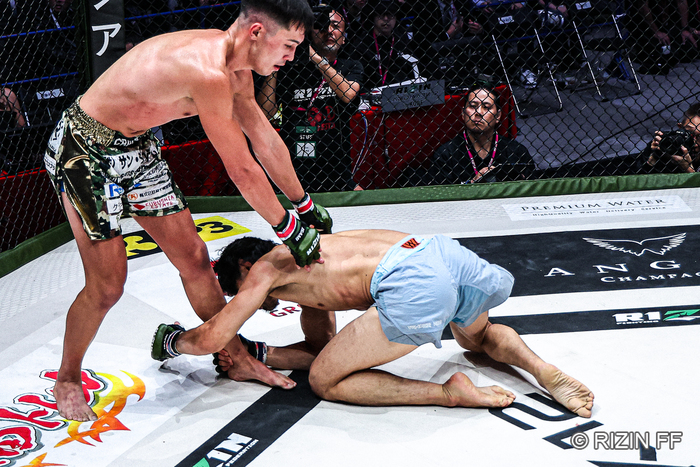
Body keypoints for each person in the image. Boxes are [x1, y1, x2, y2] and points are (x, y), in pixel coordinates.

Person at [43, 0, 334, 422]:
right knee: (108, 285)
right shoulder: (208, 72)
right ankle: (67, 378)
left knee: (195, 259)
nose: (291, 57)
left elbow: (264, 139)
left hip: (137, 147)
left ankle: (237, 358)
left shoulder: (237, 70)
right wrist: (288, 228)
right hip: (84, 151)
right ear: (256, 32)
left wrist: (302, 203)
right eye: (288, 45)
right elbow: (241, 168)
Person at [152, 230, 594, 416]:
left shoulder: (265, 270)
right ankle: (542, 371)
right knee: (478, 339)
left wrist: (174, 343)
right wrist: (260, 354)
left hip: (413, 281)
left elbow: (213, 336)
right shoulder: (308, 253)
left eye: (238, 290)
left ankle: (448, 393)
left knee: (324, 382)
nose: (251, 302)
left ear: (246, 268)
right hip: (442, 253)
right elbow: (323, 346)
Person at [257, 5, 363, 192]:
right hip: (294, 165)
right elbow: (266, 113)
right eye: (321, 25)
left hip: (336, 168)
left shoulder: (350, 66)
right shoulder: (291, 70)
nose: (328, 31)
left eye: (335, 26)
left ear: (344, 37)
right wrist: (275, 63)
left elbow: (348, 94)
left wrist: (314, 56)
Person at [428, 85, 534, 184]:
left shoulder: (516, 152)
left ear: (498, 116)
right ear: (463, 113)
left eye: (486, 107)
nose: (478, 112)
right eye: (473, 106)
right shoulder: (446, 155)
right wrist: (471, 184)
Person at [351, 0, 416, 90]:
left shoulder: (401, 39)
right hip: (370, 90)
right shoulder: (363, 43)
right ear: (374, 17)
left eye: (390, 15)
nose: (386, 19)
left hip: (399, 90)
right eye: (381, 15)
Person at [629, 0, 699, 74]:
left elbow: (681, 1)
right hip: (646, 27)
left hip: (668, 25)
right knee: (667, 54)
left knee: (690, 50)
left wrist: (684, 28)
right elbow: (643, 7)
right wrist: (656, 31)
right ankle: (639, 50)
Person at [636, 102, 700, 173]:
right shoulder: (667, 142)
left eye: (699, 137)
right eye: (690, 133)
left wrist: (688, 169)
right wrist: (653, 158)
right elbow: (637, 177)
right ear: (680, 127)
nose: (695, 143)